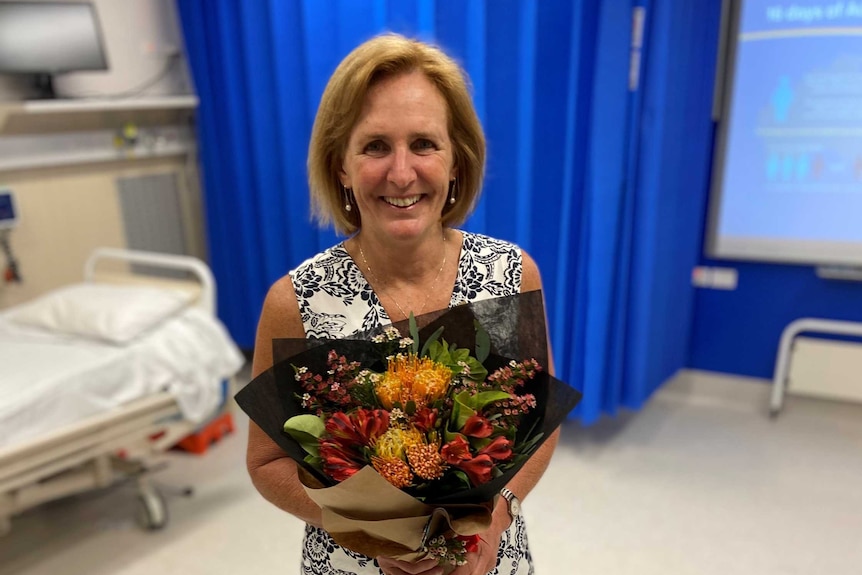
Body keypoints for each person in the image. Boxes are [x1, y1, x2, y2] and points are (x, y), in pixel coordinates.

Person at [247, 33, 560, 575]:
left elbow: (539, 424)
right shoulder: (295, 302)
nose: (400, 173)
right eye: (374, 146)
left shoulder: (508, 275)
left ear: (457, 160)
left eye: (423, 144)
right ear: (341, 165)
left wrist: (498, 519)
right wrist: (369, 535)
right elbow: (268, 461)